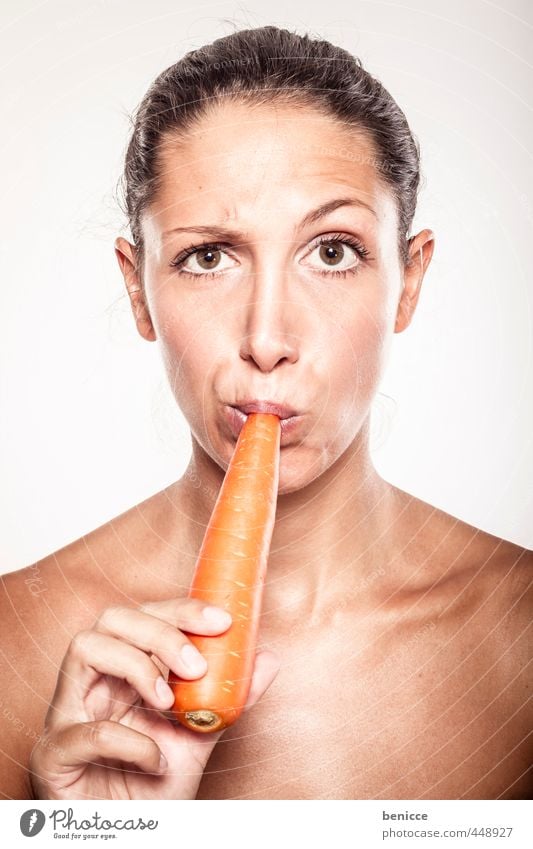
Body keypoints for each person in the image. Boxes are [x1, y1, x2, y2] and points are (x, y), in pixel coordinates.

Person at [1, 25, 531, 801]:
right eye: (208, 256)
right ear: (138, 288)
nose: (267, 338)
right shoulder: (14, 640)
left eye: (332, 250)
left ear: (409, 280)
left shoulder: (518, 641)